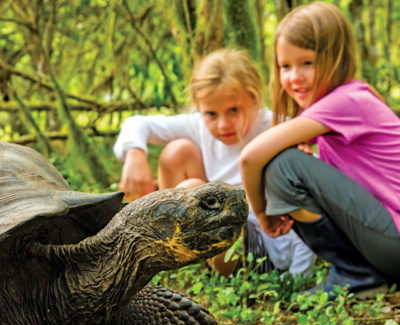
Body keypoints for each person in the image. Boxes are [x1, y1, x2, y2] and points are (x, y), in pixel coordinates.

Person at [239, 2, 400, 299]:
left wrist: (261, 213)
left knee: (283, 164)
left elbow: (250, 156)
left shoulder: (346, 101)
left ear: (335, 59)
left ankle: (356, 275)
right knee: (289, 160)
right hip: (387, 241)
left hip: (393, 241)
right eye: (285, 66)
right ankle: (361, 273)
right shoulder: (346, 102)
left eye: (307, 63)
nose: (294, 77)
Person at [113, 48, 315, 278]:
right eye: (211, 114)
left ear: (254, 98)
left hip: (262, 250)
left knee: (201, 196)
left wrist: (299, 276)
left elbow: (310, 197)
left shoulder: (278, 128)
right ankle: (179, 257)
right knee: (176, 153)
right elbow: (138, 123)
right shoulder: (200, 125)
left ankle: (219, 270)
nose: (223, 125)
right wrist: (134, 154)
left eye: (234, 110)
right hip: (214, 234)